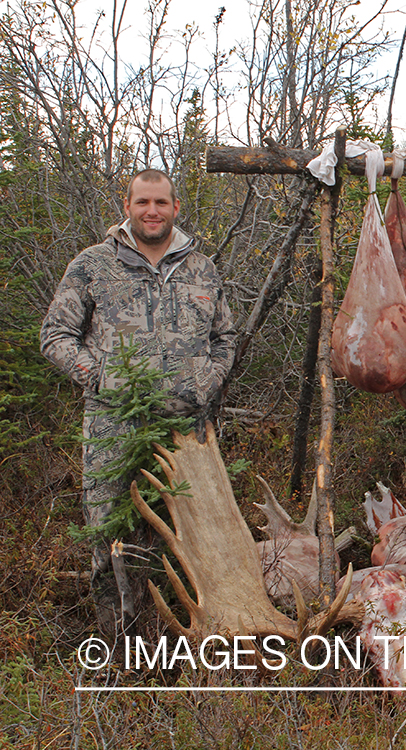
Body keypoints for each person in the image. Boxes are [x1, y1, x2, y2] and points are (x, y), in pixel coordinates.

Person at [40, 168, 236, 634]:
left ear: (175, 208)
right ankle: (121, 646)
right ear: (127, 206)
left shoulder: (201, 269)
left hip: (186, 433)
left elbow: (225, 337)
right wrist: (104, 379)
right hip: (114, 431)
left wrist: (206, 382)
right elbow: (55, 336)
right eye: (143, 202)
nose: (152, 211)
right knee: (112, 535)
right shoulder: (92, 264)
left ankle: (192, 640)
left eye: (161, 203)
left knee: (191, 534)